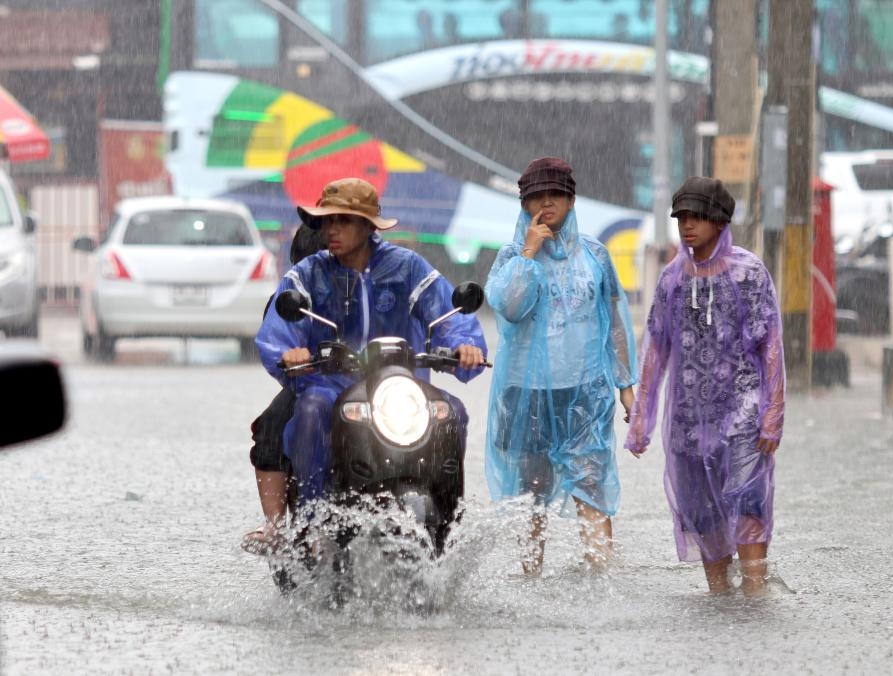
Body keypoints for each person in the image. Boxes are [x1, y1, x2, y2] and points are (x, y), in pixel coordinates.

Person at [246, 178, 487, 550]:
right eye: (327, 221)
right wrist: (289, 352)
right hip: (329, 386)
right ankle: (312, 525)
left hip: (398, 384)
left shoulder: (408, 267)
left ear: (368, 225)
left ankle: (448, 522)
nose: (332, 229)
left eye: (343, 220)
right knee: (309, 410)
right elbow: (280, 331)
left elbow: (446, 314)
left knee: (452, 411)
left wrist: (464, 345)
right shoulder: (308, 273)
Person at [624, 177, 786, 594]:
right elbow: (655, 349)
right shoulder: (671, 280)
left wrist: (773, 410)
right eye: (681, 218)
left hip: (744, 411)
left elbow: (771, 344)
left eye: (697, 217)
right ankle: (721, 599)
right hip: (689, 418)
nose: (687, 226)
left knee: (748, 500)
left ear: (718, 221)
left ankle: (755, 594)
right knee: (701, 512)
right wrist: (641, 416)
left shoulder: (749, 273)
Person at [484, 157, 637, 575]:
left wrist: (625, 385)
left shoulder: (595, 255)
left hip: (584, 390)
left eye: (555, 196)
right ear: (524, 205)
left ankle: (598, 578)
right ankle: (531, 575)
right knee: (532, 493)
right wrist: (529, 254)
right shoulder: (511, 256)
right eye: (537, 198)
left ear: (571, 201)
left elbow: (615, 322)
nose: (546, 205)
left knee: (591, 487)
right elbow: (510, 307)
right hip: (526, 392)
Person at [241, 224, 325, 554]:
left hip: (380, 386)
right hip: (314, 386)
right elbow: (274, 343)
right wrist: (291, 358)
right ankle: (274, 526)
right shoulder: (291, 297)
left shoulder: (388, 278)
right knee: (271, 428)